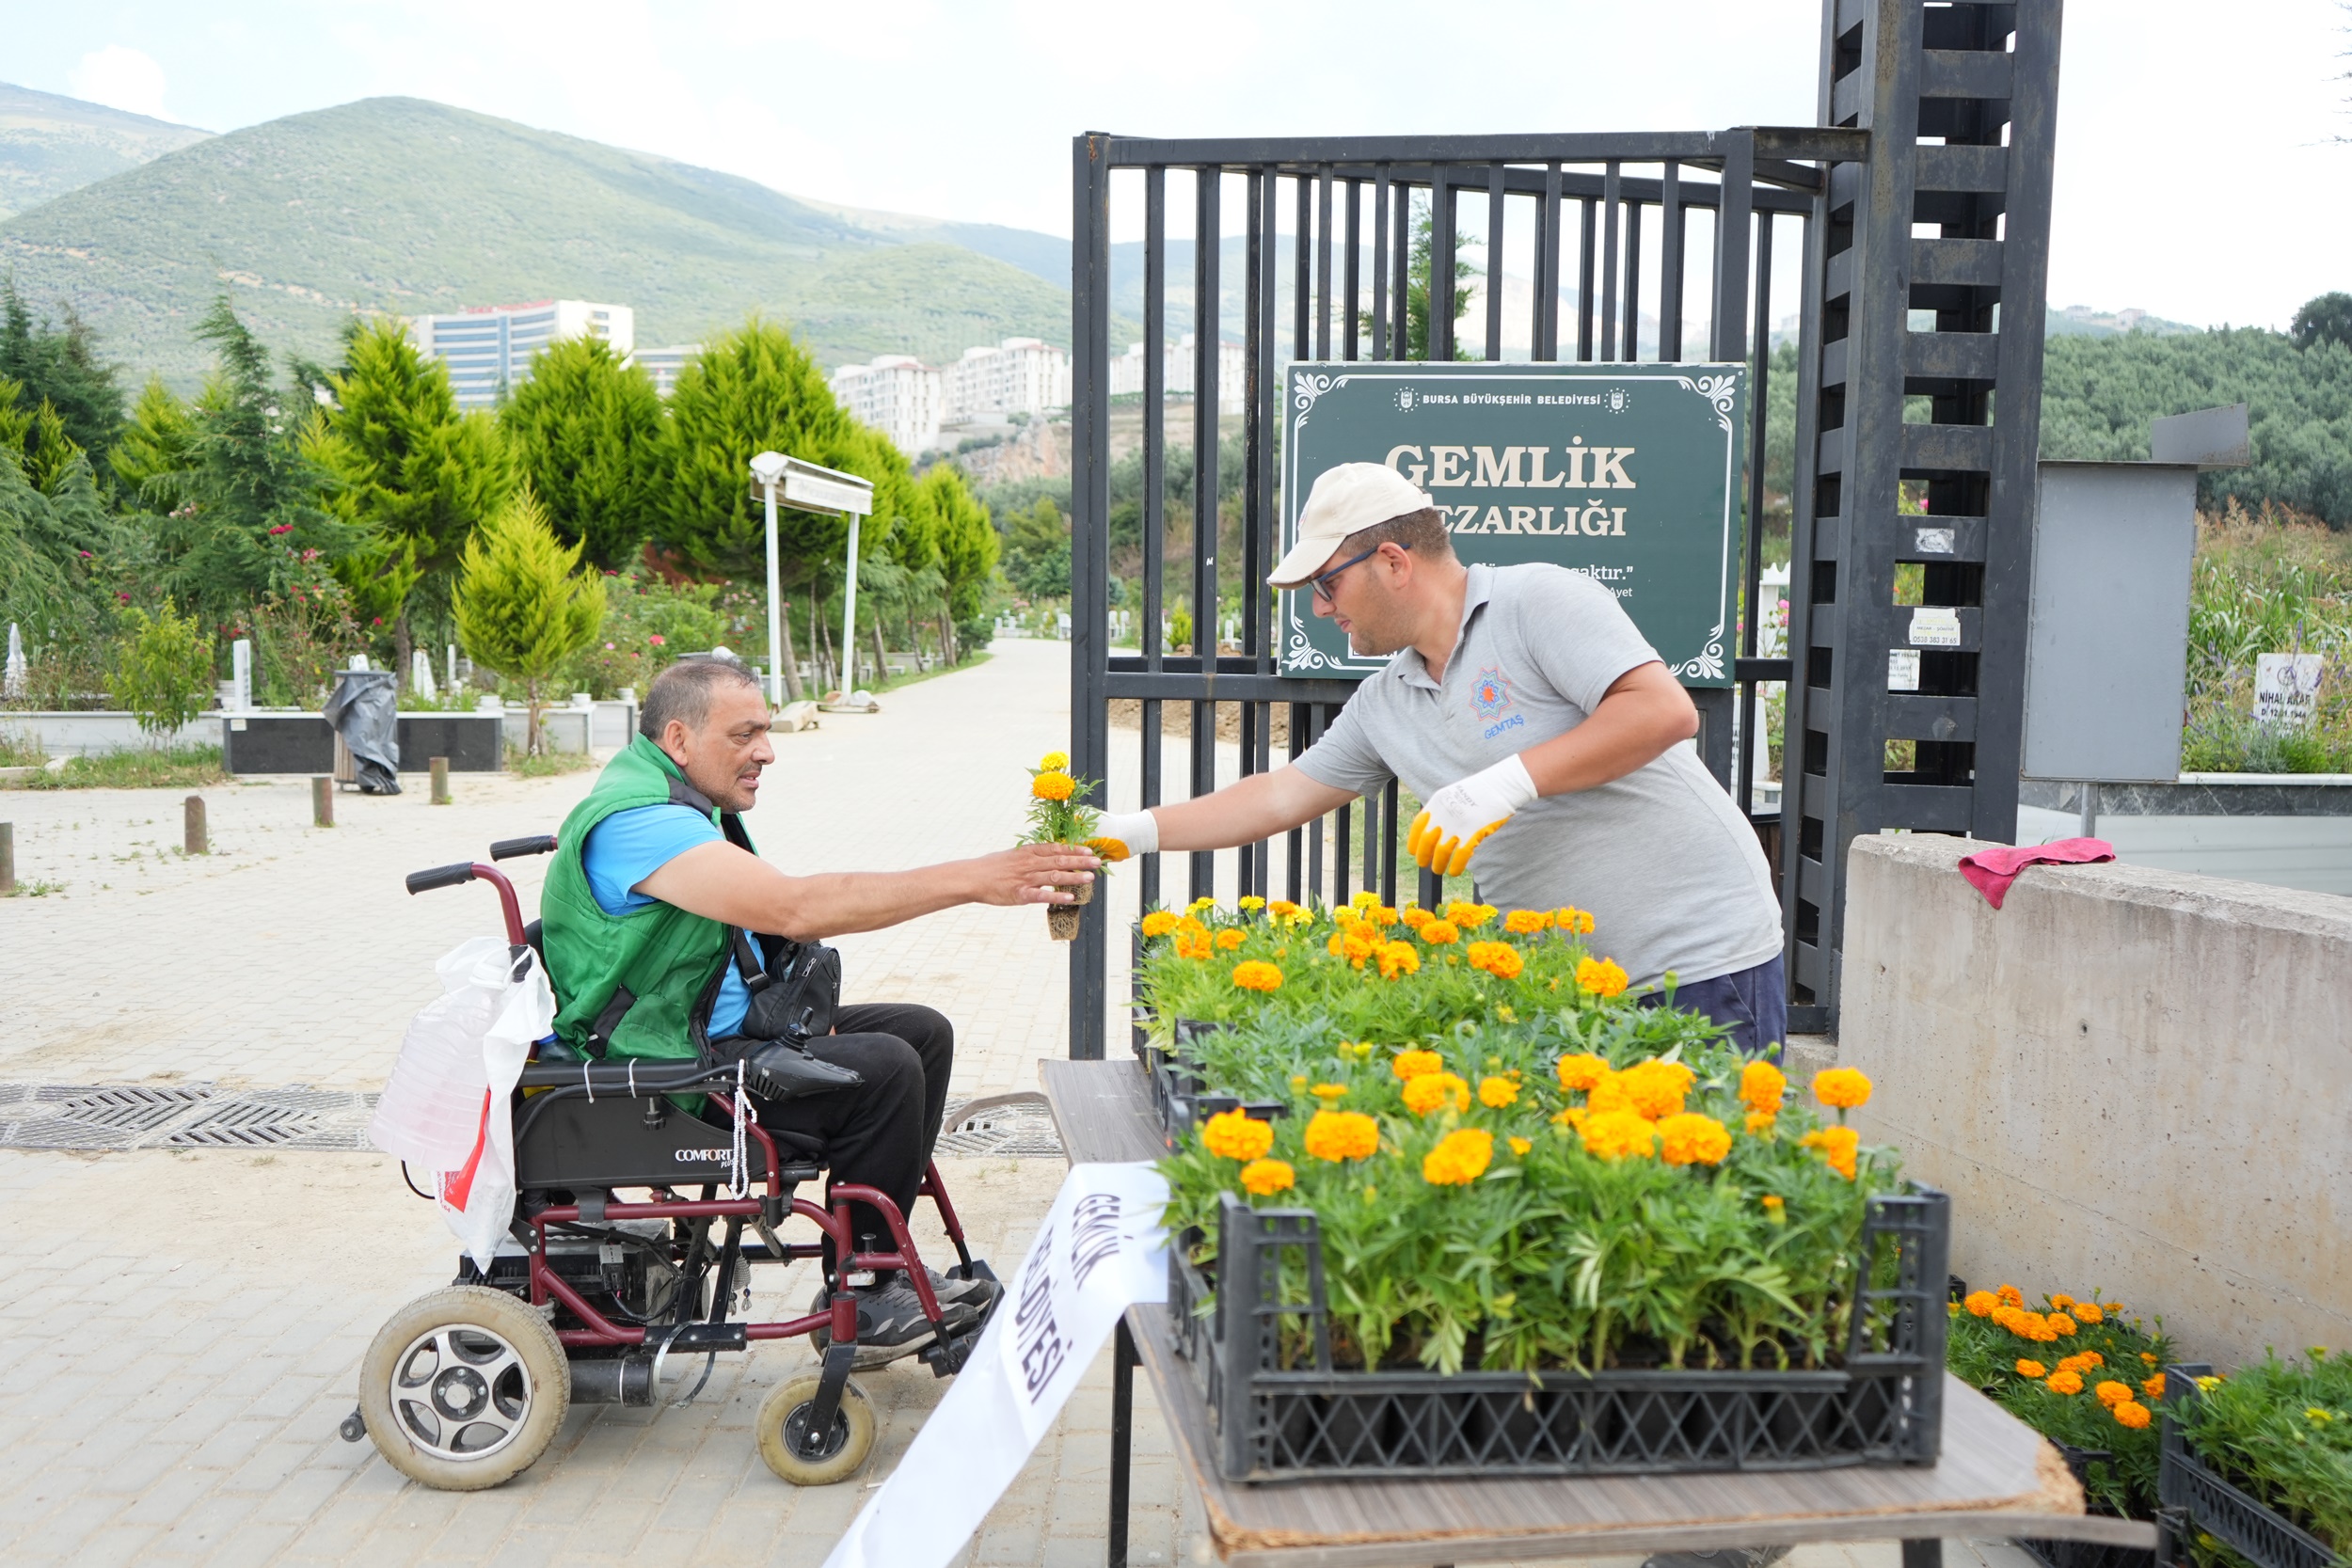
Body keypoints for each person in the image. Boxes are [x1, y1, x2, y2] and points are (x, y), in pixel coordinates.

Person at [1090, 461, 1788, 1055]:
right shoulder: (1386, 698)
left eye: (1326, 584)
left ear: (1393, 561)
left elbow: (1663, 710)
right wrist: (1133, 831)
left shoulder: (1534, 601)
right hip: (1571, 988)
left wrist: (1505, 784)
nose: (1321, 609)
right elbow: (1280, 795)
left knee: (1700, 1197)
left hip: (1698, 963)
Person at [538, 655, 1100, 1366]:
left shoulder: (674, 797)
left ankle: (877, 1262)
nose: (766, 751)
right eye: (745, 735)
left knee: (919, 1033)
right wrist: (977, 879)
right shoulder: (639, 822)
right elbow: (794, 905)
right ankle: (866, 1285)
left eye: (766, 732)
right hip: (667, 1072)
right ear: (679, 740)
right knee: (886, 1069)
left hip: (711, 1032)